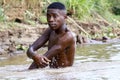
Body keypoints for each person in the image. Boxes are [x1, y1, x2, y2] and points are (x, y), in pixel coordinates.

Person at [27, 2, 76, 70]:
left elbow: (42, 60)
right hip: (54, 72)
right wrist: (34, 55)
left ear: (65, 17)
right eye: (48, 16)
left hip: (64, 74)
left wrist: (26, 73)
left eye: (55, 16)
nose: (50, 19)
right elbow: (30, 49)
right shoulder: (50, 30)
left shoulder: (68, 36)